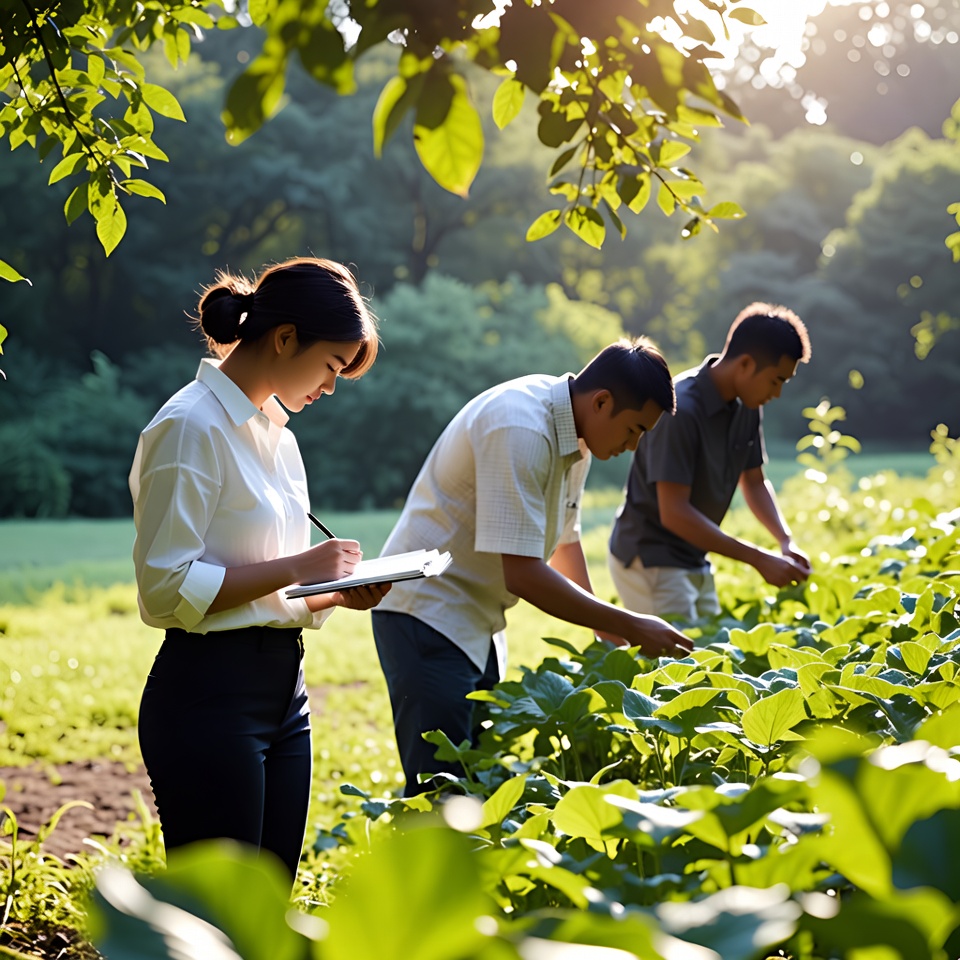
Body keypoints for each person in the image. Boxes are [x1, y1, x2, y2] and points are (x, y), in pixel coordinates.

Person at [129, 257, 390, 881]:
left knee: (269, 912)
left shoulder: (281, 438)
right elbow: (164, 591)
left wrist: (336, 594)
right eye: (331, 366)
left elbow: (272, 591)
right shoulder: (188, 425)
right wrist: (302, 564)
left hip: (285, 696)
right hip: (207, 699)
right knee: (219, 923)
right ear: (284, 338)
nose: (330, 387)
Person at [371, 337, 695, 795]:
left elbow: (565, 542)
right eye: (634, 429)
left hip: (476, 623)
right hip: (427, 613)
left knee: (476, 782)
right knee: (439, 793)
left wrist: (609, 633)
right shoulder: (521, 426)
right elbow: (522, 573)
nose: (634, 445)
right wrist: (632, 624)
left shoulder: (575, 435)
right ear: (602, 402)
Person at [608, 302, 813, 623]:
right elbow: (674, 514)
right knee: (677, 664)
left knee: (712, 655)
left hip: (693, 555)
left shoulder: (747, 405)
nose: (778, 393)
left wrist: (785, 541)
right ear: (745, 364)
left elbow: (754, 481)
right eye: (776, 380)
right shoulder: (682, 410)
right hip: (652, 557)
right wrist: (759, 559)